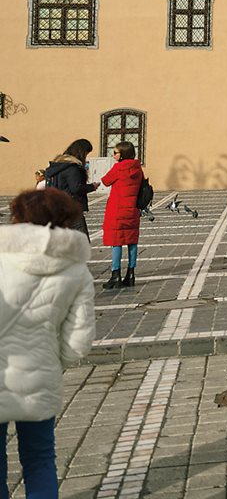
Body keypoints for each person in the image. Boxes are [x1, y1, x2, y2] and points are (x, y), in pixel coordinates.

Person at [0, 188, 94, 499]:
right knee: (40, 460)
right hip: (40, 376)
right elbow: (78, 342)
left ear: (17, 218)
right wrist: (53, 361)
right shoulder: (77, 271)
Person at [98, 141, 144, 290]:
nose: (114, 154)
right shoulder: (138, 168)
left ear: (122, 154)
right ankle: (131, 274)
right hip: (132, 210)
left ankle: (115, 274)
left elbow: (105, 181)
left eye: (116, 152)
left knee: (116, 241)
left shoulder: (118, 168)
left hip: (117, 210)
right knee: (131, 240)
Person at [41, 139, 95, 239]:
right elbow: (75, 188)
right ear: (81, 152)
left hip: (57, 207)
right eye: (86, 154)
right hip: (72, 207)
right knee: (82, 241)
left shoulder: (57, 166)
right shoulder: (72, 168)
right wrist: (92, 187)